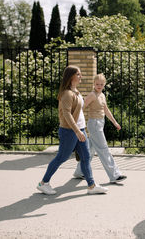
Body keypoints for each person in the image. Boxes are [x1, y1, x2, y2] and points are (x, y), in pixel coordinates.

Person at [37, 65, 108, 195]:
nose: (81, 76)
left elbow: (79, 112)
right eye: (78, 74)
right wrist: (77, 131)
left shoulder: (75, 91)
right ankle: (43, 183)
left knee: (86, 157)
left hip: (79, 129)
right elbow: (67, 114)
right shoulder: (67, 94)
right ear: (71, 77)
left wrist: (81, 129)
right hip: (69, 131)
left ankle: (91, 186)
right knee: (62, 157)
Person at [73, 73, 127, 184]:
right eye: (97, 84)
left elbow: (106, 110)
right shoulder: (92, 95)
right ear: (94, 84)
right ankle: (115, 175)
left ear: (104, 85)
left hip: (100, 123)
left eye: (101, 84)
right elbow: (81, 107)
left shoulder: (102, 95)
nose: (99, 86)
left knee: (90, 150)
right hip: (94, 124)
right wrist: (76, 122)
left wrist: (115, 122)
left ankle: (80, 172)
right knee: (103, 149)